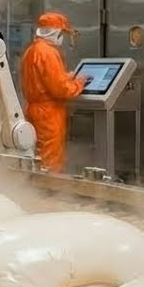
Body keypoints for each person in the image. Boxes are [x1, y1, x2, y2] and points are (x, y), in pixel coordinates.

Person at [21, 11, 89, 172]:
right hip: (48, 114)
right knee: (50, 160)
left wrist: (67, 76)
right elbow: (60, 89)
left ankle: (35, 191)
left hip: (34, 110)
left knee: (35, 156)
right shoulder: (48, 53)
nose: (63, 38)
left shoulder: (32, 50)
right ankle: (48, 191)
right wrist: (79, 83)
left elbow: (44, 79)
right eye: (62, 33)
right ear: (56, 32)